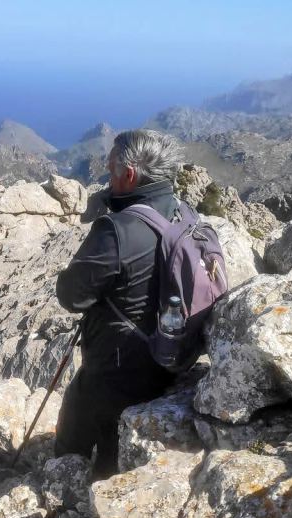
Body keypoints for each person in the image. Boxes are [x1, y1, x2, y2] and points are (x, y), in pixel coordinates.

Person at [54, 129, 185, 478]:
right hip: (172, 361)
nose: (107, 175)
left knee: (77, 439)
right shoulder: (185, 215)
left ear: (128, 175)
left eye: (111, 169)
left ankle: (65, 496)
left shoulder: (117, 230)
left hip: (117, 372)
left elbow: (73, 296)